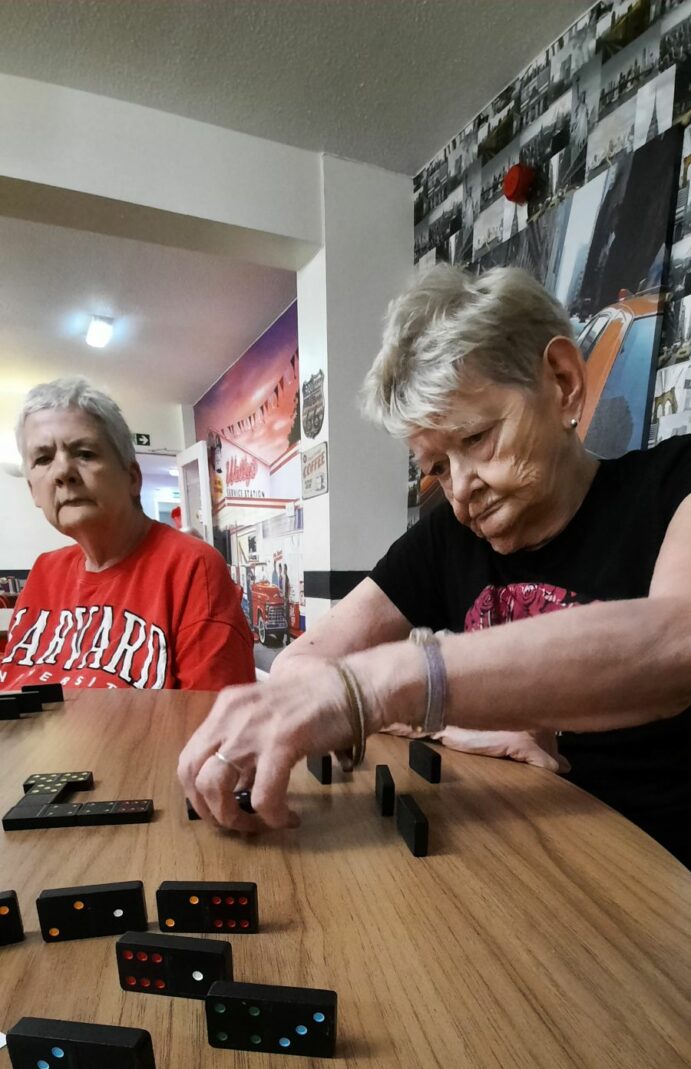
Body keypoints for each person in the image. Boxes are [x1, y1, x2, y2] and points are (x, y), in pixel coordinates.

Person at [178, 265, 691, 868]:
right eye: (438, 467)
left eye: (476, 439)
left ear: (562, 382)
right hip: (517, 856)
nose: (462, 488)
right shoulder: (448, 537)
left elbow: (675, 643)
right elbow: (300, 666)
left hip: (661, 872)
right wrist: (460, 720)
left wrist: (383, 687)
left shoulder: (673, 483)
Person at [2, 378, 255, 692]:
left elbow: (218, 718)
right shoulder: (44, 572)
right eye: (43, 459)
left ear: (133, 477)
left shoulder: (192, 567)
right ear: (32, 490)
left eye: (85, 453)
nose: (63, 472)